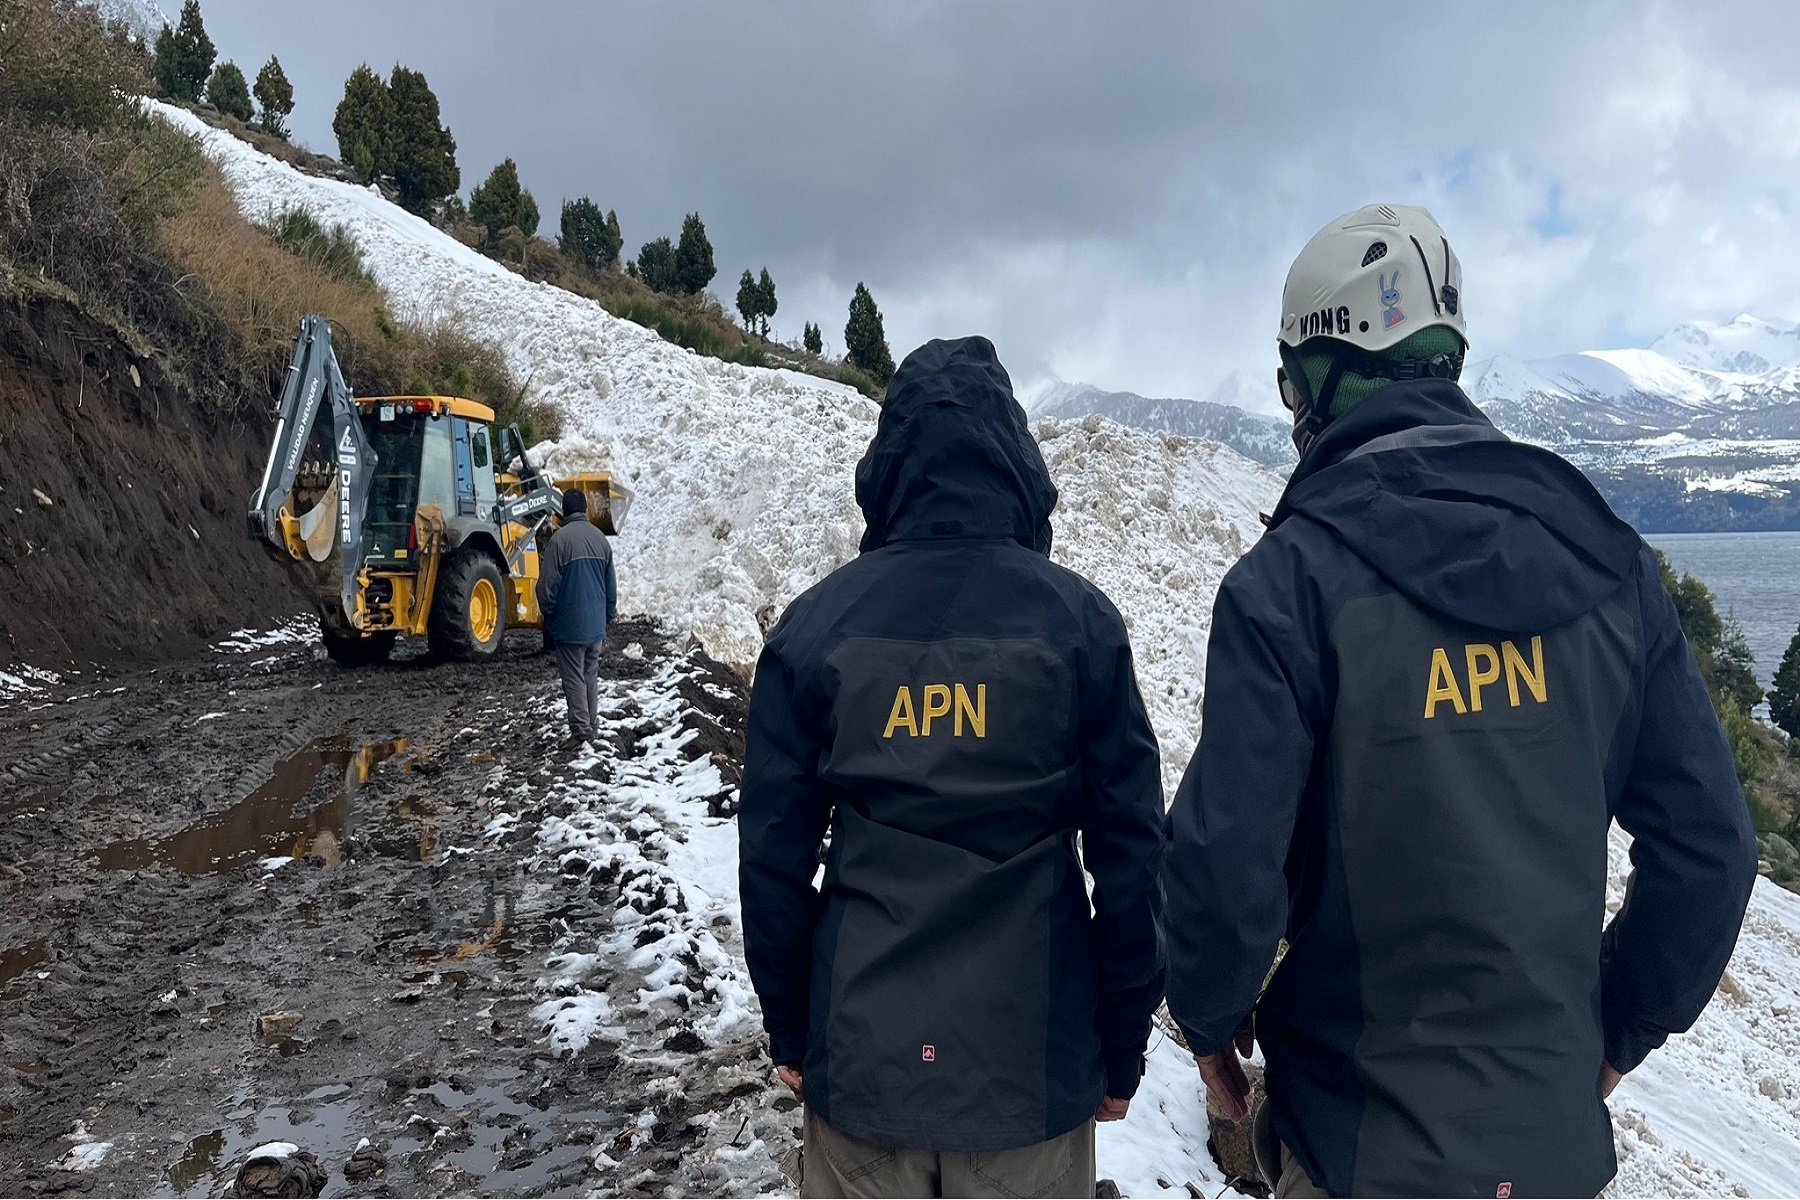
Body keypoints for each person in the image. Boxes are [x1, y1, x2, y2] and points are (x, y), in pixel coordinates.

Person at [1162, 204, 1759, 1198]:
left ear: (1313, 378)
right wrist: (1607, 1040)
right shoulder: (1612, 568)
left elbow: (1225, 870)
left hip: (1356, 1149)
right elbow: (1714, 853)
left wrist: (1211, 1026)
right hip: (1554, 1158)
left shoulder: (1289, 586)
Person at [739, 336, 1165, 1199]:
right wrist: (1120, 1043)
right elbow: (1132, 857)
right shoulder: (1079, 628)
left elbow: (773, 859)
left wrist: (792, 1029)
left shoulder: (815, 630)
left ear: (889, 463)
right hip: (1029, 1079)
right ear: (1013, 458)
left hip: (864, 1071)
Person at [537, 486, 617, 747]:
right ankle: (591, 725)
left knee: (573, 678)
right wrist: (607, 616)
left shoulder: (559, 541)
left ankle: (582, 732)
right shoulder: (601, 540)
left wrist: (549, 613)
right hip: (596, 626)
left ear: (563, 511)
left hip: (570, 626)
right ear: (584, 509)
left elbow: (546, 587)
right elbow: (610, 587)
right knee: (589, 675)